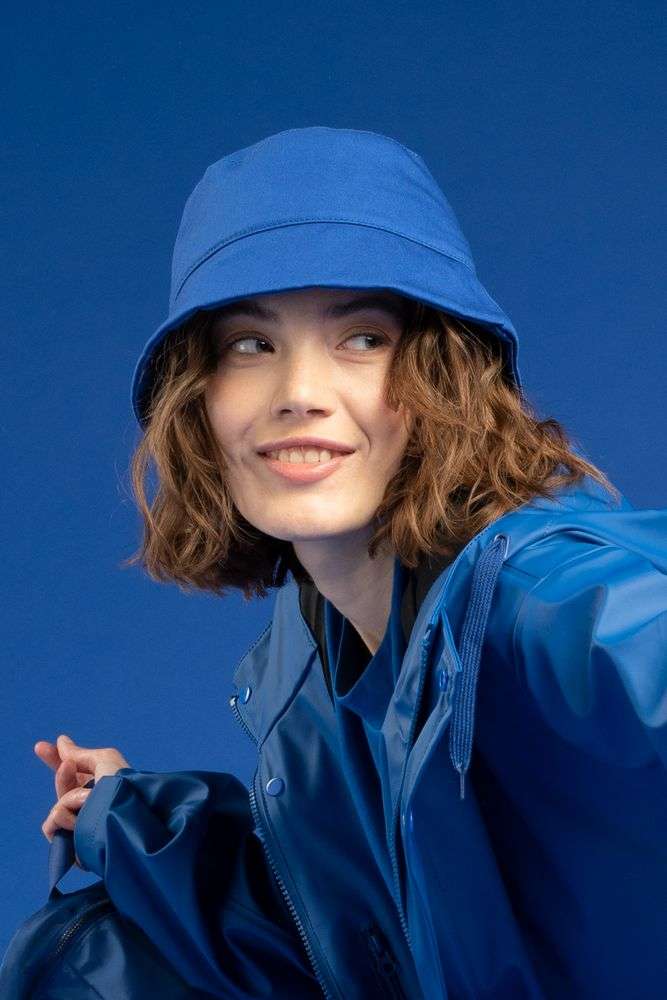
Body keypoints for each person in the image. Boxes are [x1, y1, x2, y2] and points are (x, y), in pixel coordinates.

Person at [35, 127, 667, 998]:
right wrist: (133, 821)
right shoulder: (313, 665)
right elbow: (364, 944)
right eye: (249, 345)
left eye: (363, 338)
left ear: (446, 376)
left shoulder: (547, 597)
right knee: (92, 958)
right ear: (196, 399)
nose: (299, 392)